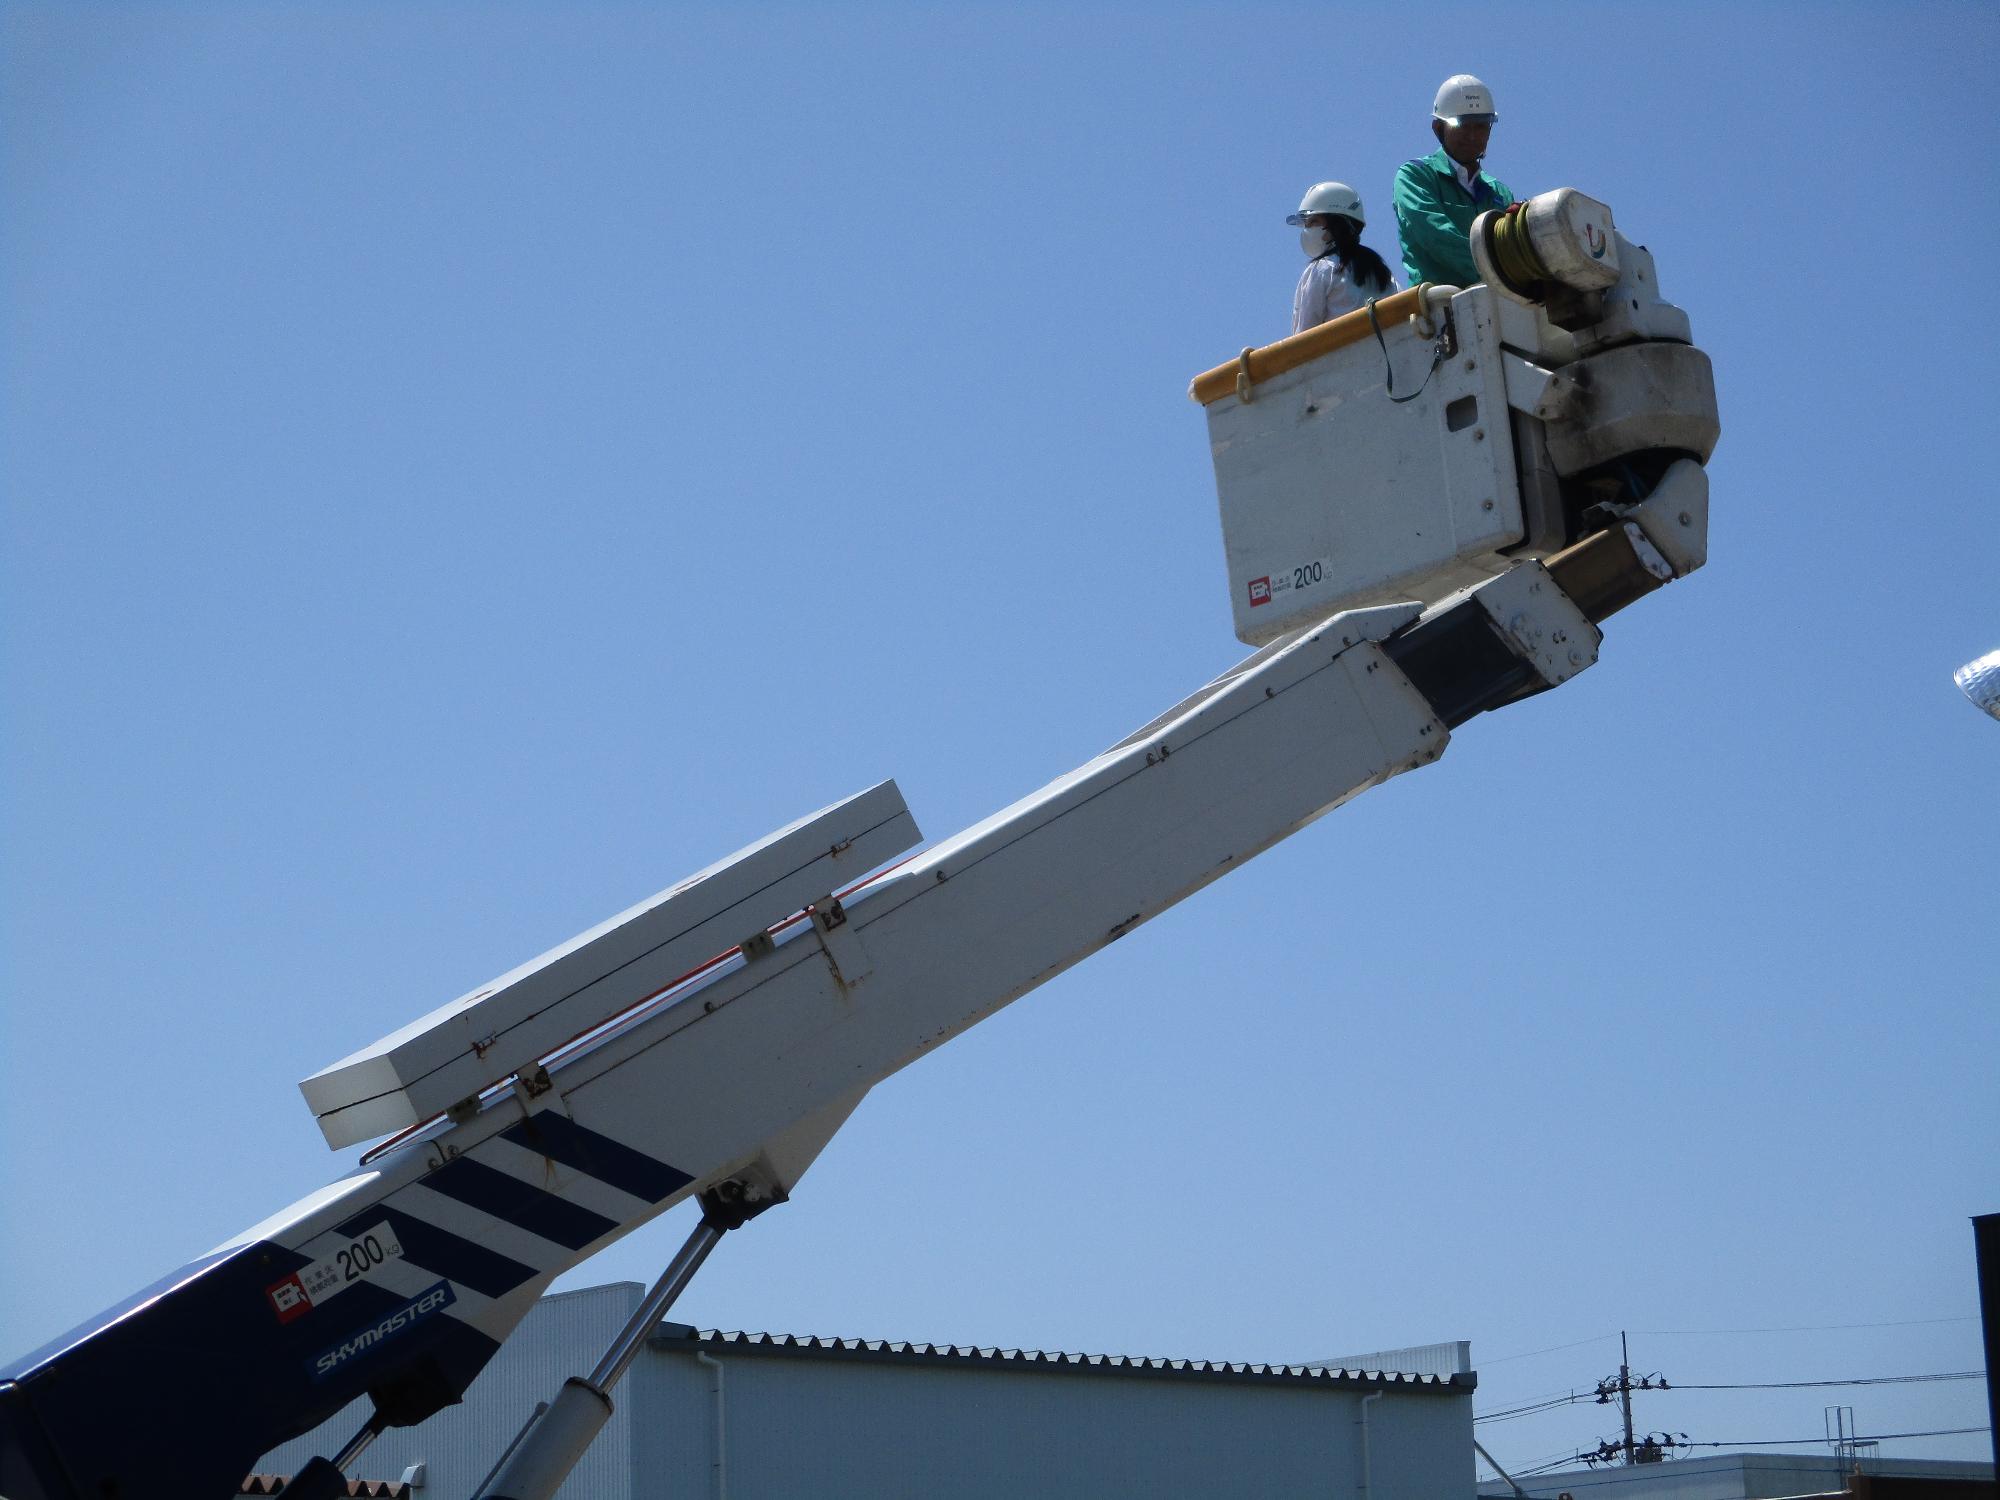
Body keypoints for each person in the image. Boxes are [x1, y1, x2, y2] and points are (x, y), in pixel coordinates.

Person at [1393, 74, 1515, 288]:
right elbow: (1436, 236)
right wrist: (1495, 272)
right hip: (1438, 308)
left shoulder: (1498, 192)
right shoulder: (1416, 176)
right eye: (1463, 125)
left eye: (1481, 126)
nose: (1473, 136)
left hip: (1497, 300)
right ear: (1438, 128)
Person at [1287, 181, 1398, 335]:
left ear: (1337, 224)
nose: (1307, 229)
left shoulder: (1322, 269)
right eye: (1306, 223)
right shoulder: (1383, 274)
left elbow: (1303, 337)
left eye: (1313, 221)